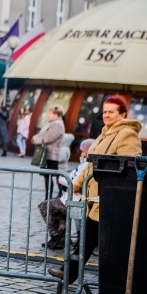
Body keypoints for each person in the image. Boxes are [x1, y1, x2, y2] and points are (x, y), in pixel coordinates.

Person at [48, 95, 142, 283]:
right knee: (87, 239)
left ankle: (117, 284)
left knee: (100, 242)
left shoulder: (127, 134)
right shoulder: (105, 133)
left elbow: (129, 166)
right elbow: (91, 165)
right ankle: (71, 273)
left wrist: (112, 187)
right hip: (96, 199)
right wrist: (74, 185)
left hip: (110, 199)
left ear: (123, 114)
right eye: (104, 111)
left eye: (111, 112)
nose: (106, 115)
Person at [38, 138, 94, 250]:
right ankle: (61, 238)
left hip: (76, 201)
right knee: (58, 210)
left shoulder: (87, 165)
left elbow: (74, 182)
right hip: (75, 200)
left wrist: (63, 179)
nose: (81, 154)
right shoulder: (87, 164)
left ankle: (56, 237)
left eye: (84, 151)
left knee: (45, 206)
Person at [31, 105, 66, 200]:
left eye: (50, 113)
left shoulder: (57, 124)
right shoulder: (51, 123)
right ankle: (50, 196)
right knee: (48, 176)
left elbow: (47, 139)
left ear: (56, 114)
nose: (48, 115)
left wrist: (35, 139)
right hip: (46, 154)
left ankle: (52, 197)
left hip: (51, 154)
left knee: (50, 175)